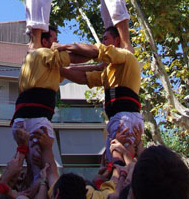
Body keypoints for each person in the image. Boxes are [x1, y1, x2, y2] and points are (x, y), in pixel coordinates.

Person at [55, 26, 143, 160]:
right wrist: (61, 70)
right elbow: (84, 78)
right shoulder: (109, 71)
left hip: (125, 118)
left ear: (117, 40)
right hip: (119, 118)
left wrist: (63, 47)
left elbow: (96, 51)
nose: (103, 43)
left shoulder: (125, 55)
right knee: (115, 163)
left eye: (106, 39)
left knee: (122, 165)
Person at [11, 26, 84, 180]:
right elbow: (75, 58)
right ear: (45, 41)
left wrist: (98, 67)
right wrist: (99, 54)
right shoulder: (45, 53)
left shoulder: (33, 60)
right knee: (47, 168)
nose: (57, 43)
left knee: (33, 167)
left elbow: (72, 72)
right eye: (54, 40)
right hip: (36, 119)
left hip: (21, 119)